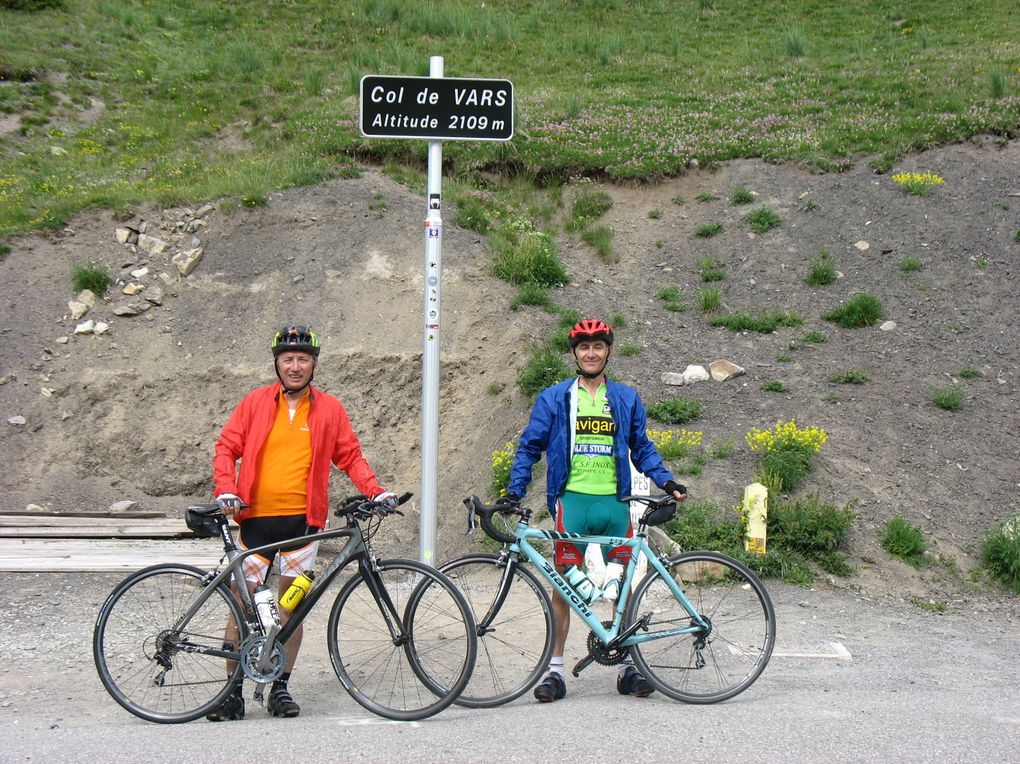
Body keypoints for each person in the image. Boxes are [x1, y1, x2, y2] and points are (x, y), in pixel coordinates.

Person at [206, 324, 396, 721]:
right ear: (277, 363)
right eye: (288, 359)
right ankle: (231, 693)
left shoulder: (329, 409)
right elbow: (226, 448)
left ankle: (280, 688)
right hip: (254, 524)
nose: (295, 366)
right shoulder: (255, 403)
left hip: (303, 528)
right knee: (241, 607)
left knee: (291, 610)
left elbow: (350, 456)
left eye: (303, 359)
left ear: (314, 364)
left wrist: (374, 490)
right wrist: (226, 488)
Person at [502, 318, 687, 703]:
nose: (591, 353)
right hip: (572, 501)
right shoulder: (555, 398)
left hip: (615, 503)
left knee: (623, 584)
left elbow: (643, 447)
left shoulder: (624, 397)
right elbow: (529, 447)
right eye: (584, 347)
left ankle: (629, 668)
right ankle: (554, 672)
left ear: (608, 352)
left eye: (598, 346)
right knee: (564, 586)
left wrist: (666, 481)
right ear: (574, 353)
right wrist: (514, 490)